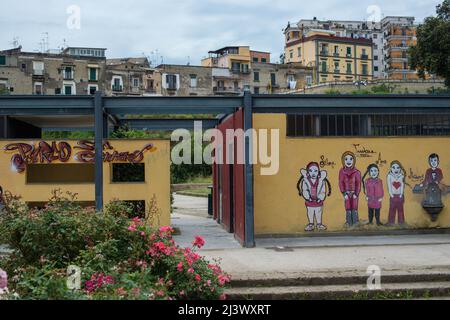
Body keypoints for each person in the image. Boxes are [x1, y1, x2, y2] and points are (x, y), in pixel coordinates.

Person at [297, 162, 331, 232]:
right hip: (309, 201)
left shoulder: (321, 180)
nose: (313, 173)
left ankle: (319, 224)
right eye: (310, 171)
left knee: (318, 212)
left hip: (318, 201)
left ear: (318, 172)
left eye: (315, 171)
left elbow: (323, 190)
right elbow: (304, 190)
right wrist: (307, 197)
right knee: (310, 212)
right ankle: (311, 224)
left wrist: (321, 198)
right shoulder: (305, 180)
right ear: (307, 172)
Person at [339, 151, 361, 227]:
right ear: (343, 160)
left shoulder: (357, 172)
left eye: (351, 159)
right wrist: (344, 193)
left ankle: (355, 221)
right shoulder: (342, 171)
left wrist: (356, 194)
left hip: (354, 193)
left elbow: (358, 184)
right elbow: (341, 182)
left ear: (354, 160)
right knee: (348, 207)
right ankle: (348, 222)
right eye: (346, 159)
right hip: (347, 193)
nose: (348, 161)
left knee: (354, 207)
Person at [387, 160, 406, 225]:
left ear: (400, 169)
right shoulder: (389, 176)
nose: (396, 169)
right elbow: (389, 186)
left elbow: (402, 186)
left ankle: (401, 222)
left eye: (398, 167)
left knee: (400, 210)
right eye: (393, 167)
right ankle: (391, 222)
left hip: (400, 196)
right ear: (391, 168)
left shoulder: (402, 176)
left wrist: (401, 194)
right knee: (392, 210)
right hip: (393, 196)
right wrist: (391, 194)